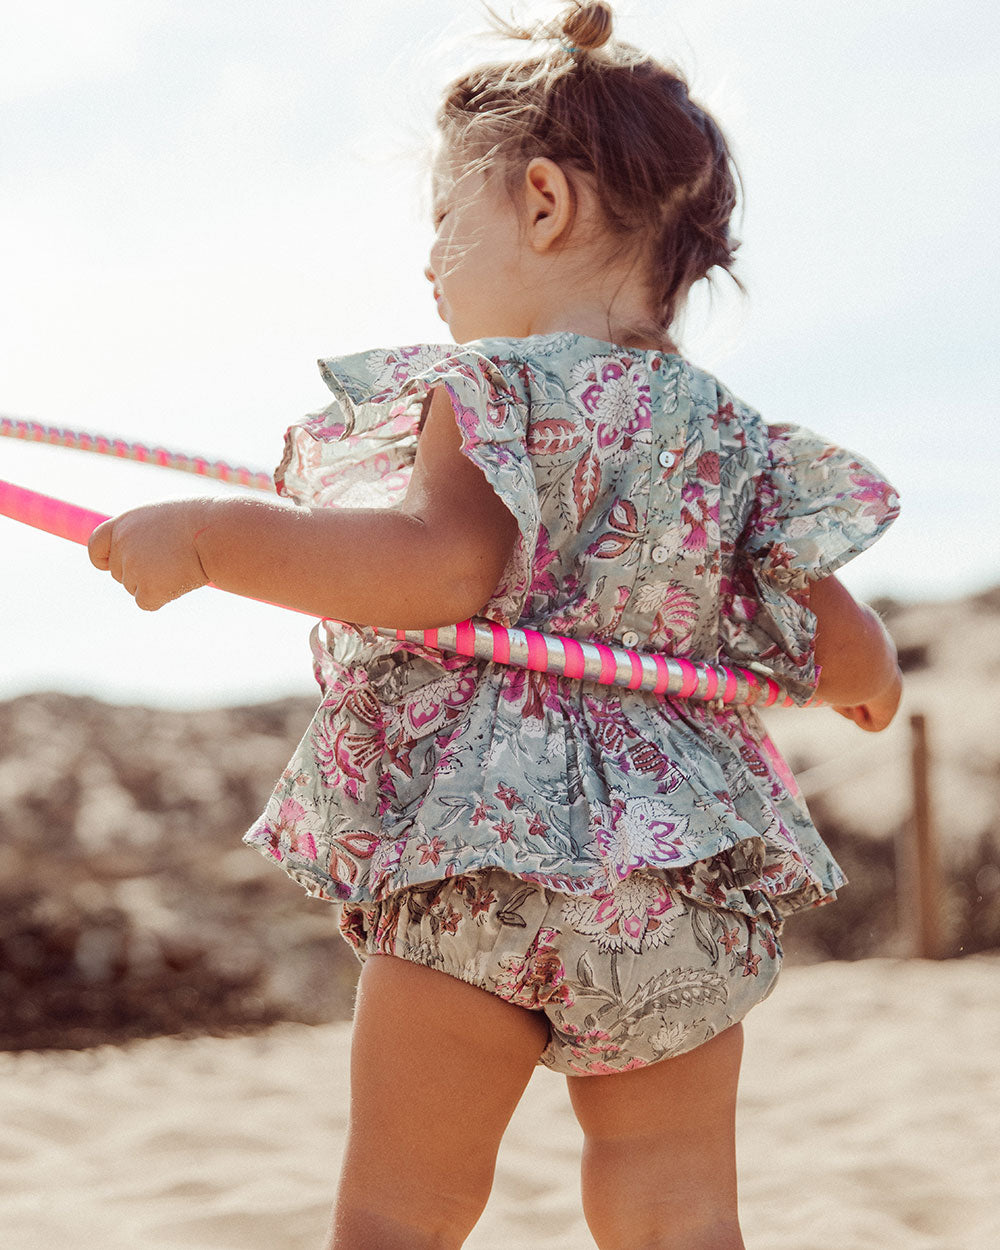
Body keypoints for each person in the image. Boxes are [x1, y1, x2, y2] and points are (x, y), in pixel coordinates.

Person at [88, 3, 902, 1247]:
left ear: (539, 203)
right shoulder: (735, 442)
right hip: (674, 875)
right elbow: (835, 641)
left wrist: (213, 539)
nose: (427, 262)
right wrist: (868, 676)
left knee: (402, 1208)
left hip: (483, 846)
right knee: (676, 1201)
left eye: (439, 220)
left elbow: (440, 568)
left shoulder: (495, 388)